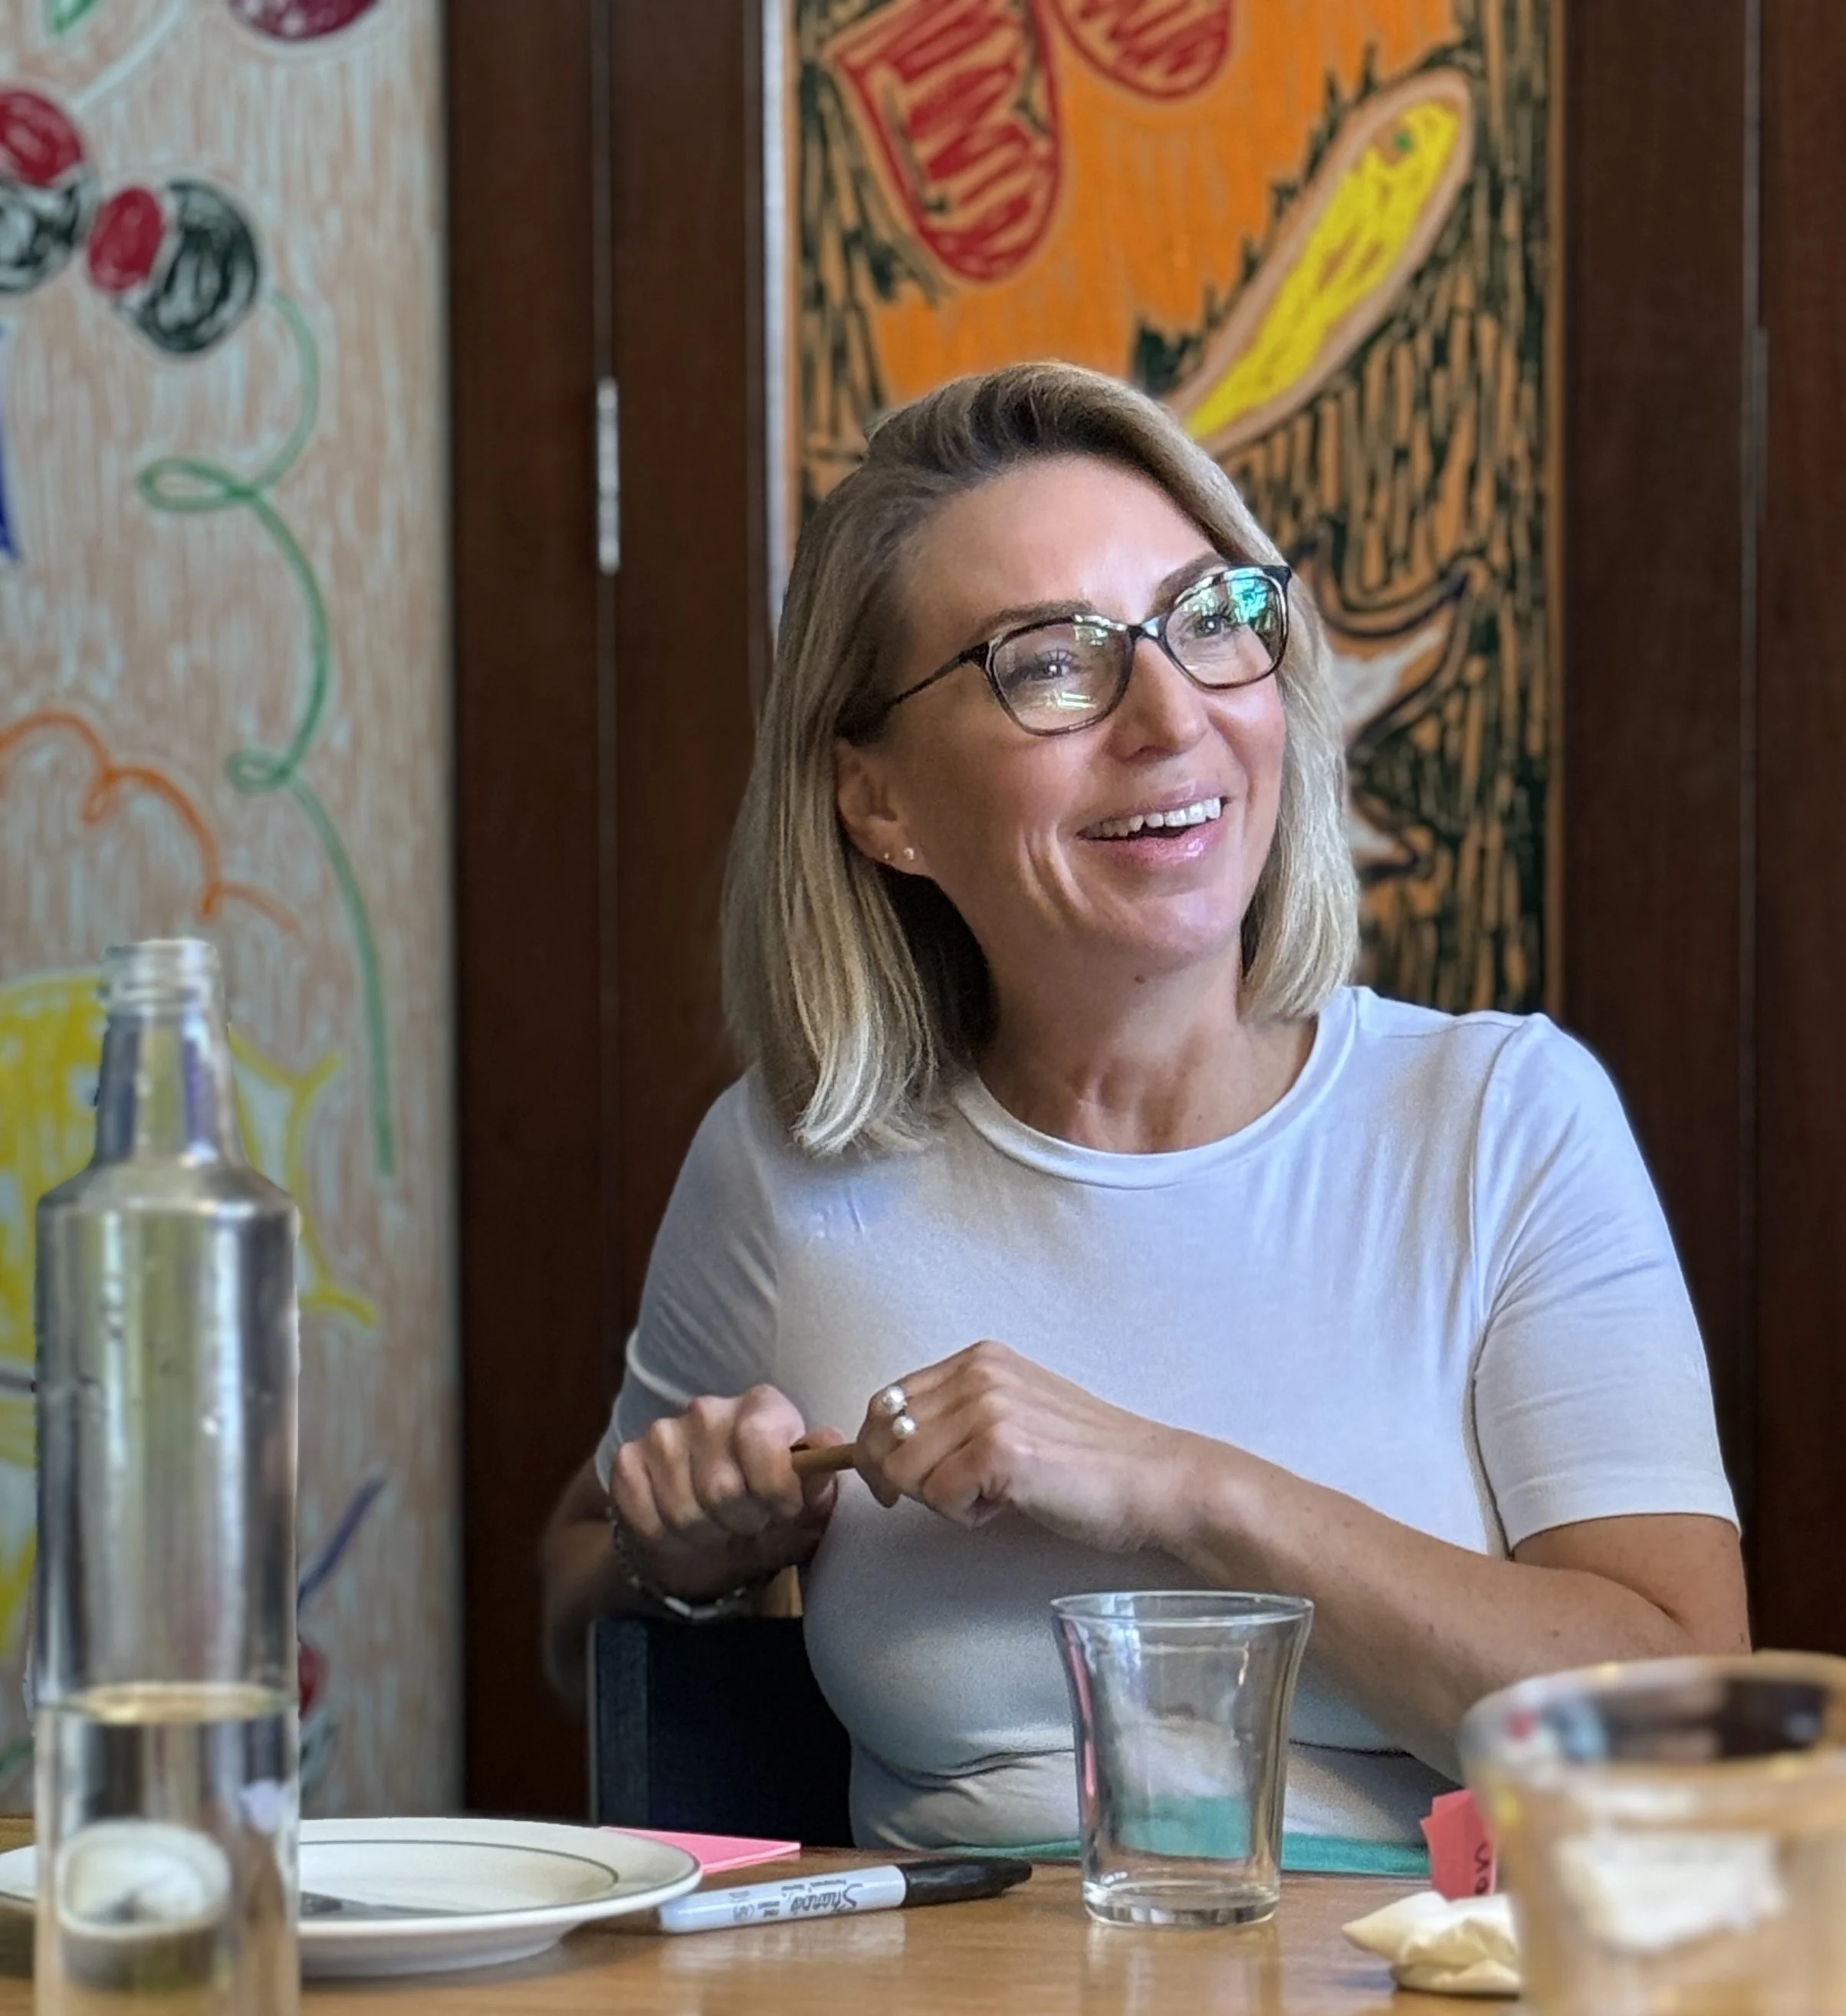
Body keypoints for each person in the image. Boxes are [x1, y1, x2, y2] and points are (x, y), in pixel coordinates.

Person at [540, 360, 1746, 1850]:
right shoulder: (785, 1165)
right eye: (1050, 662)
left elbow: (1686, 1742)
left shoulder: (1502, 1121)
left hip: (1412, 1992)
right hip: (925, 1997)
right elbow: (579, 1600)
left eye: (1209, 619)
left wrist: (1178, 1488)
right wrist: (679, 1559)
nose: (1172, 715)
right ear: (878, 802)